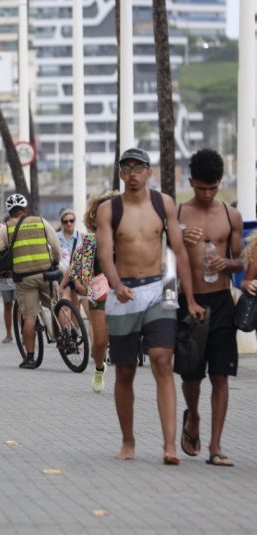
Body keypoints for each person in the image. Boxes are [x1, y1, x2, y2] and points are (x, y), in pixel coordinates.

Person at [96, 147, 203, 465]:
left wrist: (190, 298)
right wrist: (116, 284)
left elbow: (179, 252)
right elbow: (104, 253)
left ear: (148, 172)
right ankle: (128, 441)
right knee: (125, 369)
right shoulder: (109, 209)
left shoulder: (163, 203)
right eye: (126, 168)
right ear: (120, 173)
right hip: (124, 292)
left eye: (138, 168)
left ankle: (169, 446)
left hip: (160, 288)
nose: (132, 174)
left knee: (162, 359)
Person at [176, 149, 242, 467]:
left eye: (212, 188)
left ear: (220, 183)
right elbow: (166, 257)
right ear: (191, 182)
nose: (206, 194)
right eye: (201, 188)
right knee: (191, 375)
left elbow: (241, 260)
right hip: (189, 301)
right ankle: (193, 416)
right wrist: (178, 236)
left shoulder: (231, 215)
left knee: (221, 375)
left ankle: (215, 446)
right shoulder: (178, 213)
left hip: (221, 301)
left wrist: (227, 263)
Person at [0, 193, 61, 369]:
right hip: (47, 274)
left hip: (25, 279)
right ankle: (66, 336)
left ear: (9, 212)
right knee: (57, 306)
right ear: (25, 209)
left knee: (29, 317)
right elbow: (56, 245)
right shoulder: (40, 222)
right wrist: (55, 262)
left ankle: (30, 358)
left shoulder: (5, 229)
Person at [70, 190, 120, 393]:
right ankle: (100, 368)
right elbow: (79, 272)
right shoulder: (91, 241)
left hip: (123, 292)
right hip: (99, 292)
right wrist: (82, 285)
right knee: (99, 342)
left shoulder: (126, 237)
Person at [57, 208, 82, 308]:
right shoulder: (56, 237)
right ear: (62, 223)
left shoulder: (82, 236)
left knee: (76, 305)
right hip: (61, 275)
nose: (69, 223)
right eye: (66, 221)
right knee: (64, 304)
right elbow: (51, 257)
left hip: (76, 275)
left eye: (71, 220)